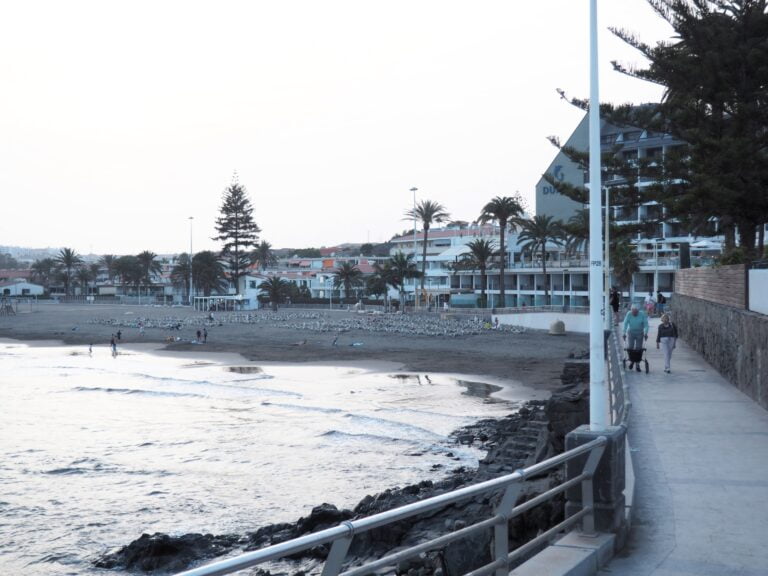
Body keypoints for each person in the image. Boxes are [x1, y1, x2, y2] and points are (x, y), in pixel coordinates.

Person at [623, 304, 649, 372]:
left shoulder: (642, 314)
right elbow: (625, 323)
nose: (634, 313)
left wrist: (646, 333)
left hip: (640, 333)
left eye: (635, 312)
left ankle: (637, 364)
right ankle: (632, 361)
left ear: (638, 311)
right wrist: (624, 333)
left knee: (638, 349)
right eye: (633, 312)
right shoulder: (629, 314)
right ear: (631, 311)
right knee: (630, 347)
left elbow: (646, 325)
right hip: (631, 332)